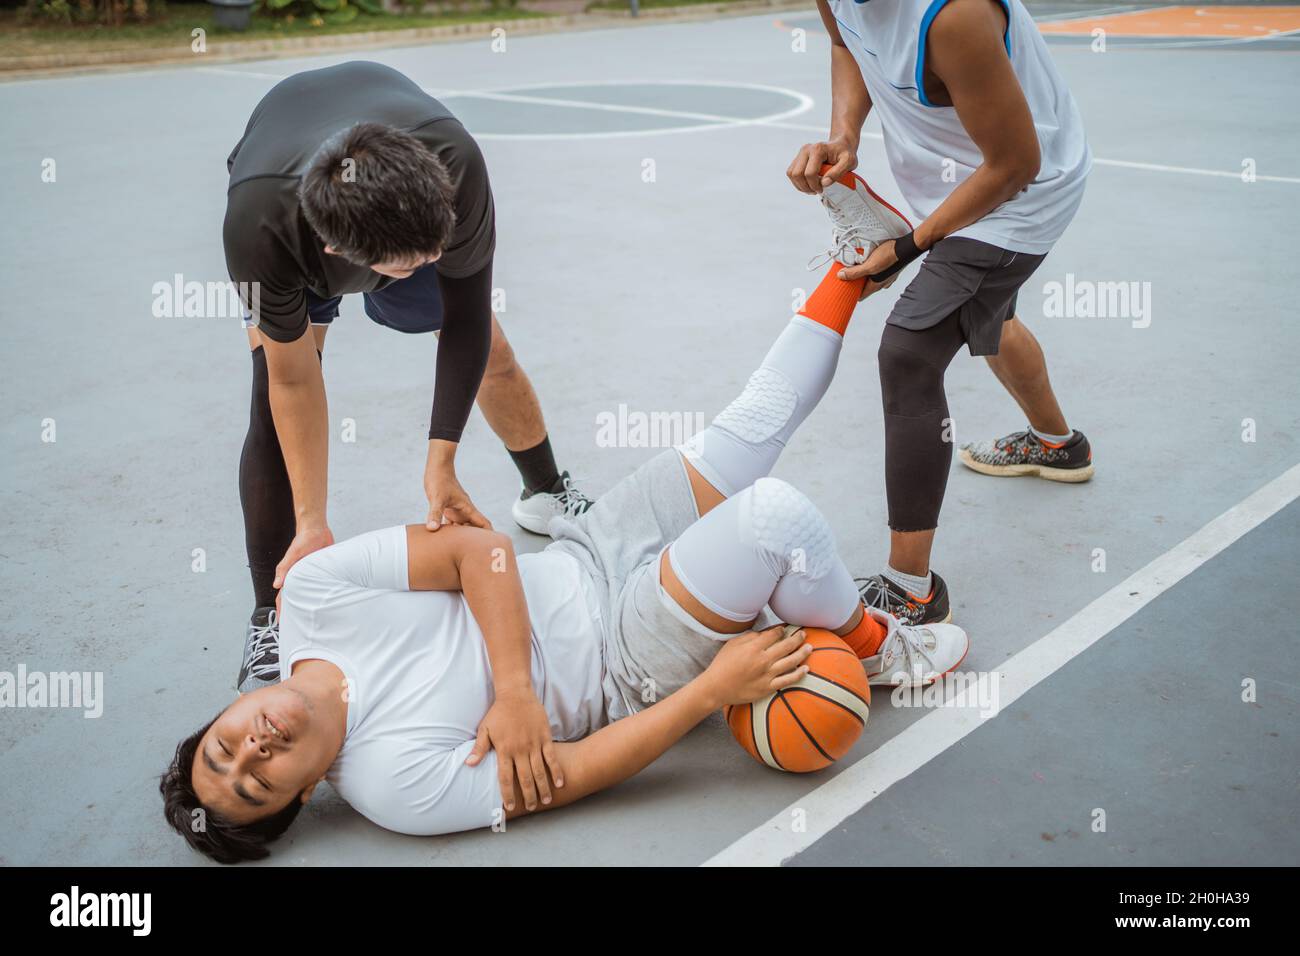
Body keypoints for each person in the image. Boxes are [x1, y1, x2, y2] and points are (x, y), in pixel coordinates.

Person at [162, 239, 970, 864]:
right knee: (774, 520)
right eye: (258, 784)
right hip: (624, 659)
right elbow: (574, 775)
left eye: (225, 748)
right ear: (302, 795)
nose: (253, 753)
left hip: (587, 554)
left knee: (749, 428)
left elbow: (482, 554)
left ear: (224, 716)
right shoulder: (394, 790)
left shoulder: (310, 599)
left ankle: (850, 259)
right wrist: (705, 695)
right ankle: (875, 645)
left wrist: (513, 693)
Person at [225, 61, 592, 693]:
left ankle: (547, 489)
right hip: (282, 192)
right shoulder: (260, 228)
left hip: (397, 186)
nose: (432, 263)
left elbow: (468, 320)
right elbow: (292, 383)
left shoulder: (455, 163)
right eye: (415, 263)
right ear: (341, 256)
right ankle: (270, 613)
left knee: (493, 352)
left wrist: (441, 462)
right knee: (269, 392)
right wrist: (314, 521)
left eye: (435, 250)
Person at [787, 0, 1094, 626]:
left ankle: (911, 591)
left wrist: (905, 248)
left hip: (1022, 194)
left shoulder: (955, 14)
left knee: (909, 352)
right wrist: (844, 135)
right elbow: (848, 46)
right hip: (956, 181)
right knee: (990, 315)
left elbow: (1016, 164)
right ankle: (1059, 445)